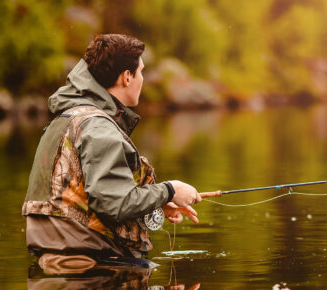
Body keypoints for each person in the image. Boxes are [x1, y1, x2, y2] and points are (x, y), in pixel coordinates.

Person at [22, 34, 203, 266]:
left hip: (59, 261)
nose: (143, 79)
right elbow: (114, 204)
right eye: (142, 72)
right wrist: (169, 190)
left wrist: (153, 204)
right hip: (89, 264)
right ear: (127, 77)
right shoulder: (97, 127)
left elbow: (90, 198)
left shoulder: (68, 118)